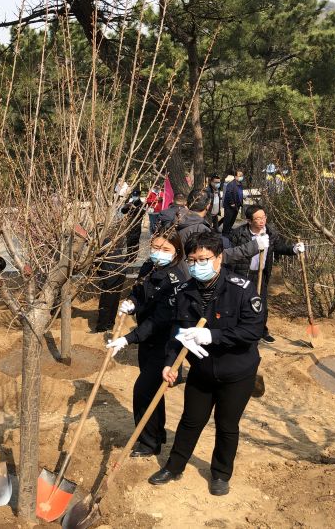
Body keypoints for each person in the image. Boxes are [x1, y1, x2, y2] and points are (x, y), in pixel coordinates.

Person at [148, 231, 264, 496]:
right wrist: (170, 363)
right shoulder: (186, 292)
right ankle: (174, 466)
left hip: (237, 371)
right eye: (192, 260)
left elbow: (252, 330)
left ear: (219, 258)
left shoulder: (242, 289)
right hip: (202, 371)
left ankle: (221, 474)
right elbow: (177, 332)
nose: (197, 265)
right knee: (191, 420)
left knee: (226, 424)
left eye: (203, 259)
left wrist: (214, 335)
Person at [106, 231, 189, 457]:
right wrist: (131, 303)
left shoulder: (177, 279)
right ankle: (157, 433)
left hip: (165, 344)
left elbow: (159, 321)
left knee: (142, 391)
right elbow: (138, 292)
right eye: (155, 247)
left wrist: (127, 339)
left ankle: (148, 444)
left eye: (165, 250)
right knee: (153, 392)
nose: (158, 253)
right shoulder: (148, 267)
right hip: (148, 342)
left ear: (177, 252)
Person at [227, 204, 304, 343]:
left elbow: (279, 246)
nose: (262, 221)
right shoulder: (238, 234)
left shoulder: (270, 233)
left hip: (261, 273)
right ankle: (240, 330)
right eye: (258, 218)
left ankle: (261, 331)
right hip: (243, 273)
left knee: (261, 303)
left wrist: (293, 249)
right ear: (249, 221)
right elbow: (232, 254)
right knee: (241, 303)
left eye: (264, 217)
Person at [95, 190, 143, 332]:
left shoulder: (106, 233)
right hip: (118, 267)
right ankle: (109, 324)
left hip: (111, 270)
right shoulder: (118, 229)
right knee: (113, 299)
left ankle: (103, 326)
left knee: (108, 300)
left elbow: (97, 256)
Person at [222, 170, 244, 236]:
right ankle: (225, 233)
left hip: (237, 205)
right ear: (235, 177)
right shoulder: (231, 184)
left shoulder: (240, 184)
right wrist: (231, 203)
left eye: (242, 175)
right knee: (228, 219)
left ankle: (229, 230)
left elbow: (240, 193)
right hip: (230, 206)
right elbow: (228, 193)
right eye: (240, 176)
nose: (241, 177)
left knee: (233, 219)